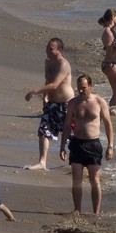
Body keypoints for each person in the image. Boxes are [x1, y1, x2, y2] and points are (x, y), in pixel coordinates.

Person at [61, 74, 114, 216]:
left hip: (93, 145)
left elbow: (108, 125)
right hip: (77, 144)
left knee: (94, 180)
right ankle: (77, 210)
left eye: (83, 87)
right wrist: (62, 146)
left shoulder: (100, 102)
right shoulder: (73, 103)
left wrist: (110, 146)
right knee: (76, 180)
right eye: (78, 88)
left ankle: (96, 212)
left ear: (90, 86)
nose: (81, 90)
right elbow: (66, 125)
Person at [25, 37, 74, 170]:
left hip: (66, 104)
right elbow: (48, 81)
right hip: (51, 103)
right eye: (47, 48)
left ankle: (80, 163)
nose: (47, 51)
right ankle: (42, 162)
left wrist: (34, 91)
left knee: (72, 135)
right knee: (43, 131)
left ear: (59, 50)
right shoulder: (48, 62)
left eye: (50, 49)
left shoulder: (63, 64)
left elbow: (54, 85)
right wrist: (45, 99)